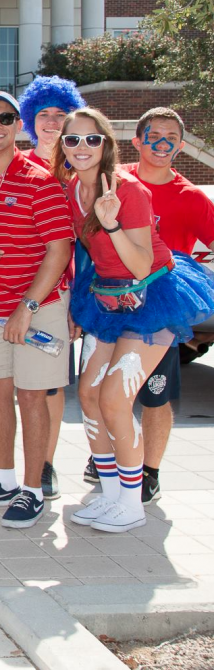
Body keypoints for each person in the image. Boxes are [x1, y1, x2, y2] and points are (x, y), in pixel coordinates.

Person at [59, 108, 214, 532]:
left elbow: (143, 263)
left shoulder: (128, 191)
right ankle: (111, 495)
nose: (82, 148)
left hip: (152, 299)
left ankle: (132, 502)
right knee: (88, 395)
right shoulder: (73, 187)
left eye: (92, 139)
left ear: (106, 143)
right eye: (72, 140)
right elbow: (83, 257)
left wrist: (110, 227)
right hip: (108, 302)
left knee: (113, 398)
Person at [0, 91, 73, 530]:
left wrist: (28, 306)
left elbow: (60, 249)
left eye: (6, 117)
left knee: (31, 396)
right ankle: (2, 480)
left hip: (36, 307)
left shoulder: (39, 179)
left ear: (18, 125)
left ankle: (32, 489)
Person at [116, 107, 214, 503]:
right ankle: (110, 459)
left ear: (181, 144)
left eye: (172, 136)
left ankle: (149, 472)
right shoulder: (115, 181)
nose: (163, 143)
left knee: (155, 395)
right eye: (154, 134)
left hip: (161, 310)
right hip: (109, 305)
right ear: (137, 140)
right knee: (104, 390)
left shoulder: (191, 197)